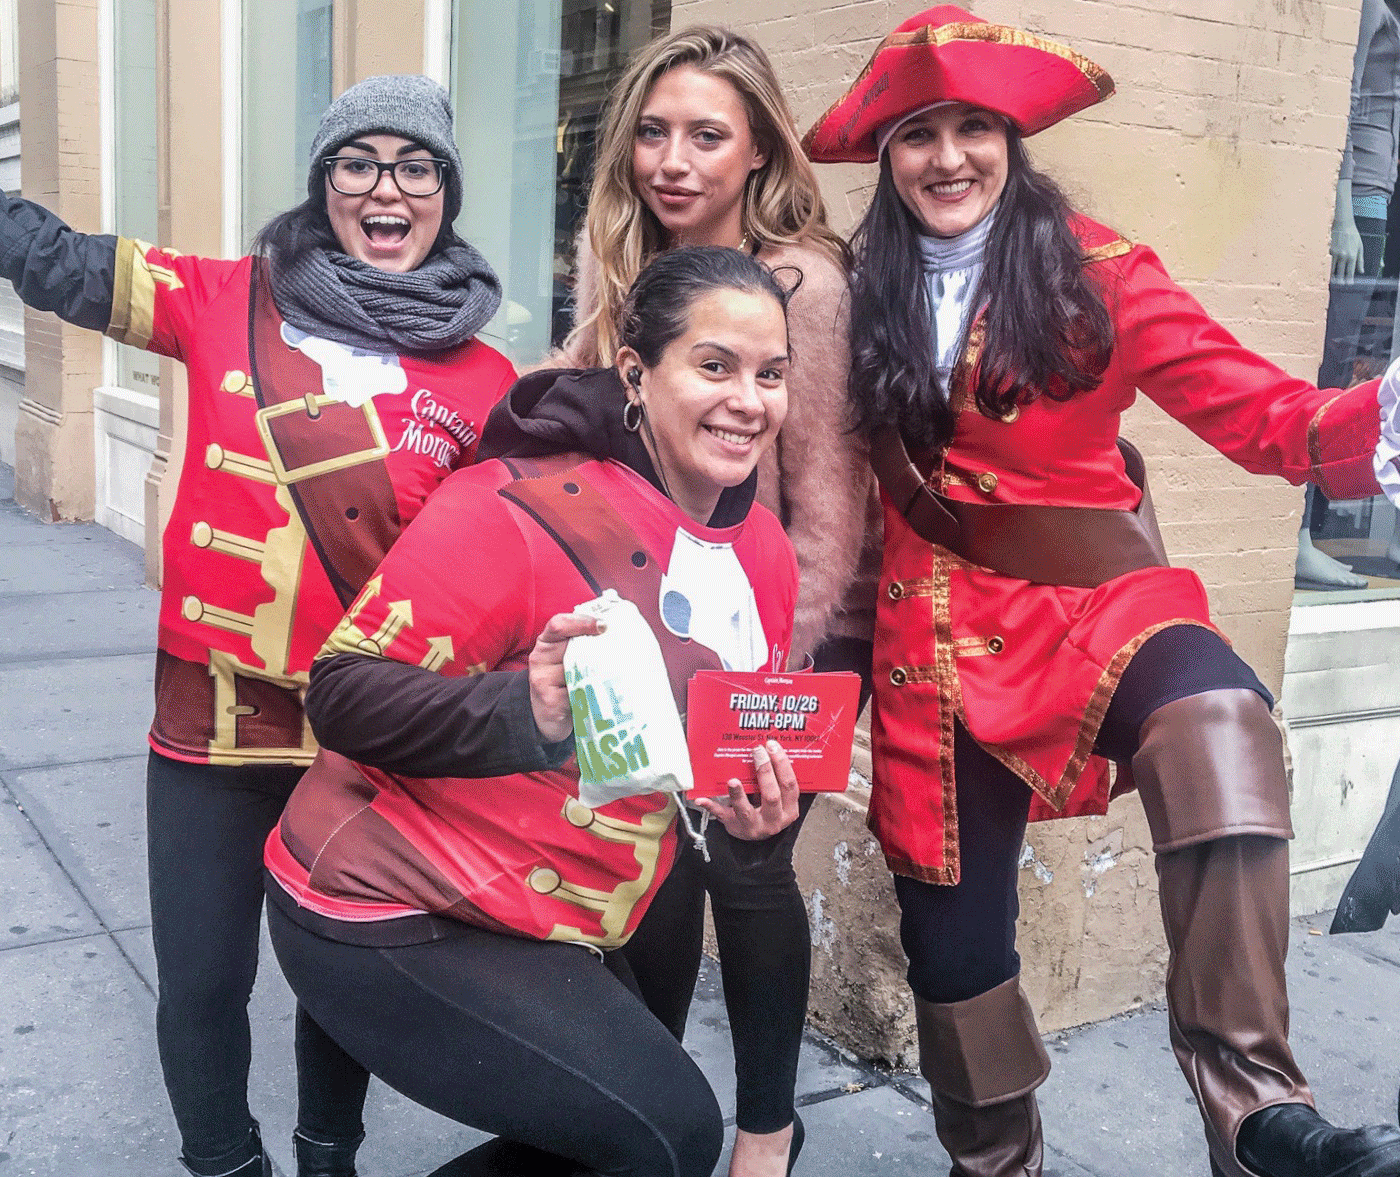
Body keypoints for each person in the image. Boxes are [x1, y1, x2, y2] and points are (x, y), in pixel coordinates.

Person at [803, 7, 1400, 1177]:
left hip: (1095, 611)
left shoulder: (1102, 273)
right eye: (918, 133)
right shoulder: (845, 291)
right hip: (928, 649)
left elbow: (1267, 417)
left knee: (1219, 719)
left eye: (973, 127)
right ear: (886, 154)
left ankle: (1255, 1108)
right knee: (955, 956)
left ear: (1011, 139)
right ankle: (996, 1161)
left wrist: (1375, 416)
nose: (947, 157)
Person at [0, 75, 515, 1177]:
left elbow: (510, 564)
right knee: (202, 980)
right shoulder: (223, 297)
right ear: (324, 181)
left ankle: (327, 1159)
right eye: (358, 162)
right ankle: (224, 1162)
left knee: (341, 978)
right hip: (210, 727)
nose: (385, 188)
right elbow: (48, 257)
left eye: (415, 166)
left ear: (445, 190)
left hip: (365, 735)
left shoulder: (486, 377)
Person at [262, 245, 802, 1177]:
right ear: (635, 372)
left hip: (573, 895)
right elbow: (342, 691)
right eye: (714, 365)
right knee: (667, 1134)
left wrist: (768, 1132)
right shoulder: (511, 506)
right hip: (386, 896)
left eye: (771, 373)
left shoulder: (765, 553)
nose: (747, 400)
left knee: (634, 1124)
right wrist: (529, 706)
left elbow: (742, 859)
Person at [550, 28, 878, 1176]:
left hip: (783, 632)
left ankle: (767, 1128)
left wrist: (757, 681)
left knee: (745, 863)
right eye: (651, 132)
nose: (672, 160)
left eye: (705, 135)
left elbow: (830, 511)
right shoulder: (619, 266)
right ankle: (649, 1110)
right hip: (641, 621)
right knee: (640, 861)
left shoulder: (802, 286)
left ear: (758, 153)